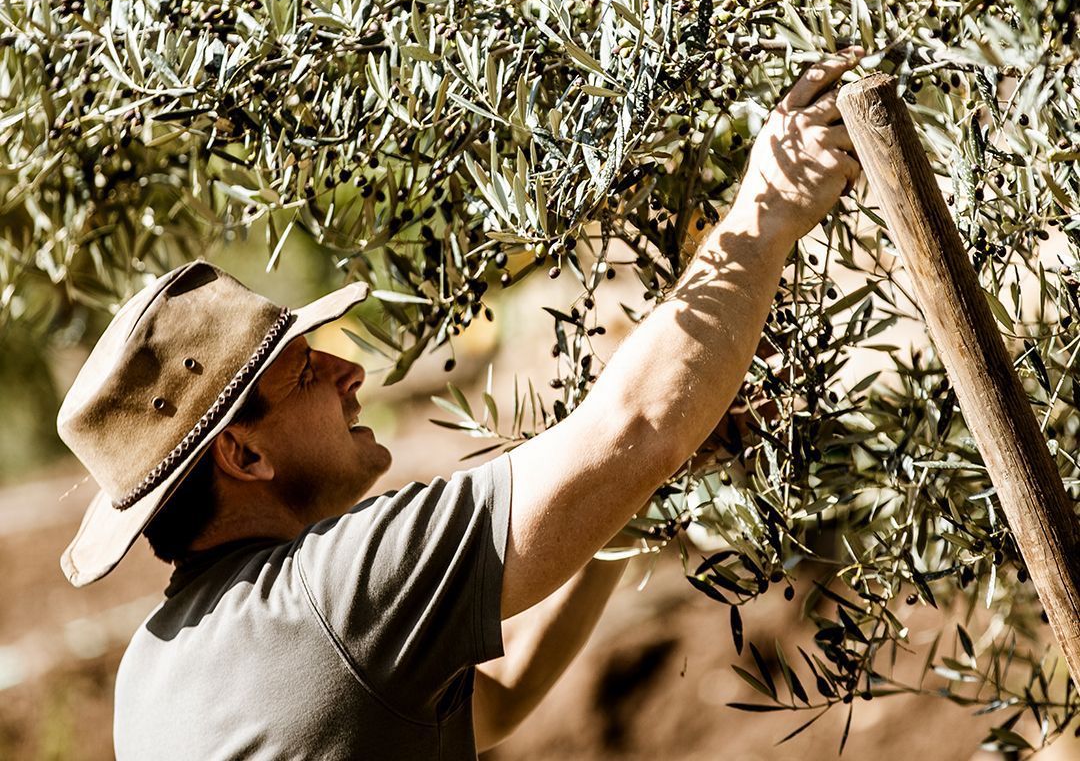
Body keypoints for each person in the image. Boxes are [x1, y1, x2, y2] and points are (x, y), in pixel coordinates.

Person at [56, 49, 863, 759]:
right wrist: (770, 207)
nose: (349, 374)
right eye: (305, 371)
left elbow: (496, 699)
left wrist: (633, 496)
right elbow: (639, 425)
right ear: (244, 455)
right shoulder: (334, 593)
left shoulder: (152, 670)